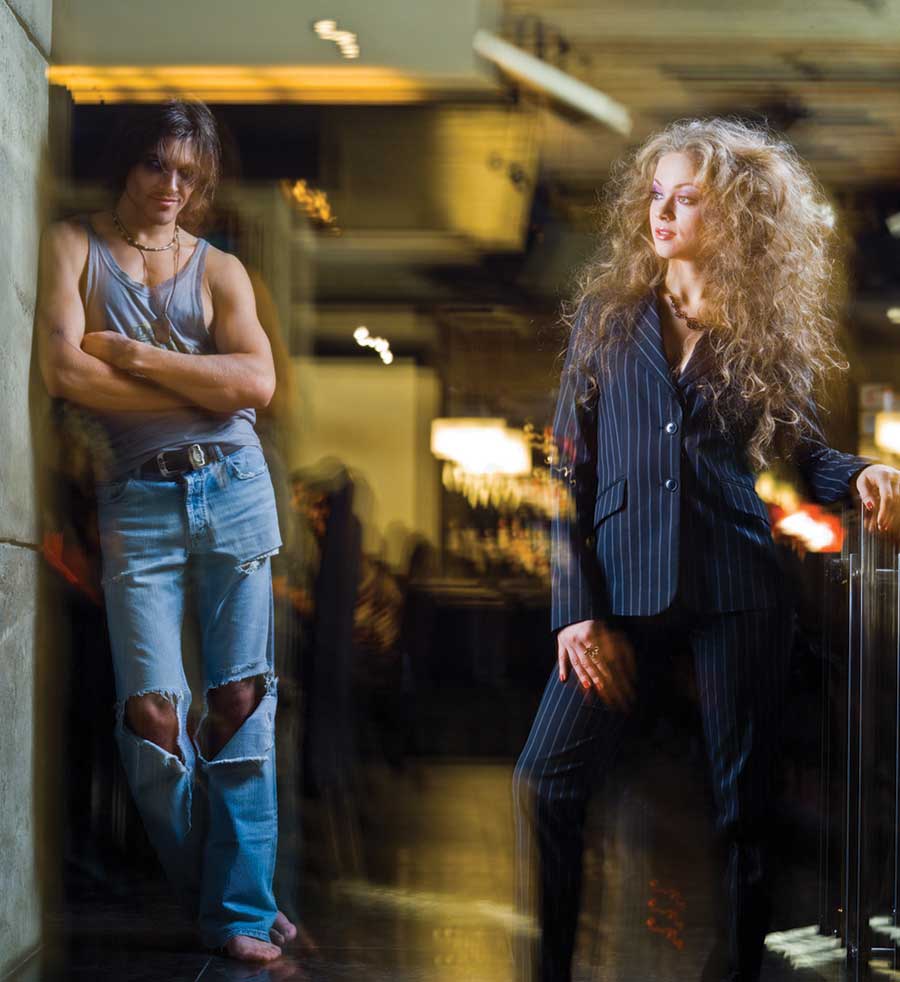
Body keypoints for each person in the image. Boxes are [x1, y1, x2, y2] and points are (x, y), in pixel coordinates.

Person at [512, 117, 900, 982]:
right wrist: (575, 613)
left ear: (735, 216)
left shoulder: (765, 329)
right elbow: (565, 470)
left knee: (743, 815)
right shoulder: (608, 320)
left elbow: (800, 456)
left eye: (686, 198)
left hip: (737, 585)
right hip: (618, 588)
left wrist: (864, 471)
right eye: (657, 195)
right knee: (547, 781)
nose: (662, 213)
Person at [36, 100, 297, 963]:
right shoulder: (73, 245)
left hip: (236, 487)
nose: (172, 186)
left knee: (240, 702)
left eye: (189, 172)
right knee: (152, 716)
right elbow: (65, 371)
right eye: (157, 164)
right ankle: (233, 892)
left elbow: (255, 384)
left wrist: (139, 357)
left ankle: (240, 910)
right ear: (127, 161)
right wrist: (200, 383)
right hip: (137, 498)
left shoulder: (220, 269)